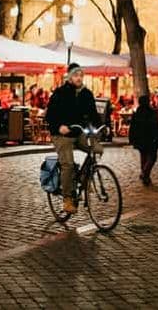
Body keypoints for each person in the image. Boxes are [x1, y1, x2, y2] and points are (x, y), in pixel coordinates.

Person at [45, 63, 102, 214]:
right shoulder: (60, 93)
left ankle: (84, 178)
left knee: (97, 149)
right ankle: (67, 198)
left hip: (78, 132)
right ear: (70, 77)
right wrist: (59, 126)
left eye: (81, 75)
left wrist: (102, 127)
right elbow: (49, 114)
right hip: (61, 134)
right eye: (76, 75)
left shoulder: (86, 94)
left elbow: (93, 115)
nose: (79, 78)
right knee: (68, 164)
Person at [129, 95, 158, 186]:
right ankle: (145, 174)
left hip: (140, 139)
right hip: (150, 138)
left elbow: (133, 128)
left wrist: (132, 139)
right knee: (152, 157)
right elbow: (156, 125)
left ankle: (145, 176)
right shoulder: (152, 112)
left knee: (143, 156)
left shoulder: (137, 113)